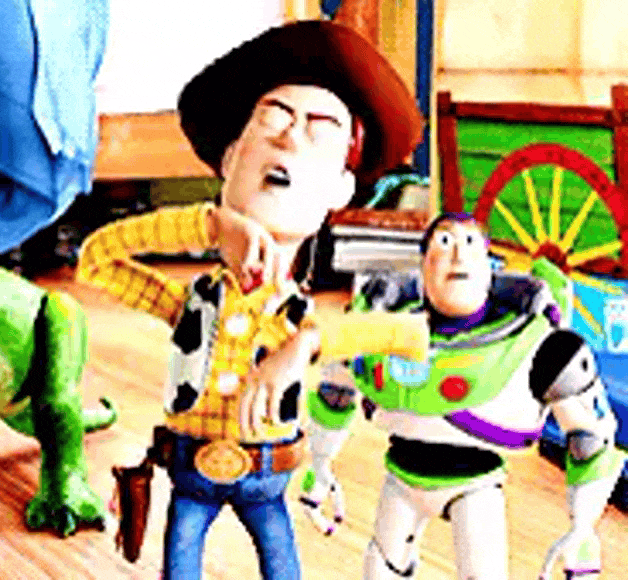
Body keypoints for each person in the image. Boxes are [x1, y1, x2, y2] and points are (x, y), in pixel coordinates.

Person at [76, 20, 423, 580]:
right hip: (190, 472)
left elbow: (404, 333)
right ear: (231, 159)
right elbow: (97, 259)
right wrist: (209, 224)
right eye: (272, 119)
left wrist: (304, 344)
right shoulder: (192, 303)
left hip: (268, 477)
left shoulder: (298, 318)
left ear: (341, 188)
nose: (289, 138)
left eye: (319, 130)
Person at [302, 212, 626, 579]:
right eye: (444, 242)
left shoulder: (542, 348)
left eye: (470, 243)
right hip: (401, 478)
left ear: (489, 268)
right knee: (380, 568)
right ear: (423, 266)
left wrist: (582, 526)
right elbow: (335, 392)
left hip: (476, 486)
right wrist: (320, 462)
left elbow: (590, 438)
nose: (458, 256)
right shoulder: (376, 330)